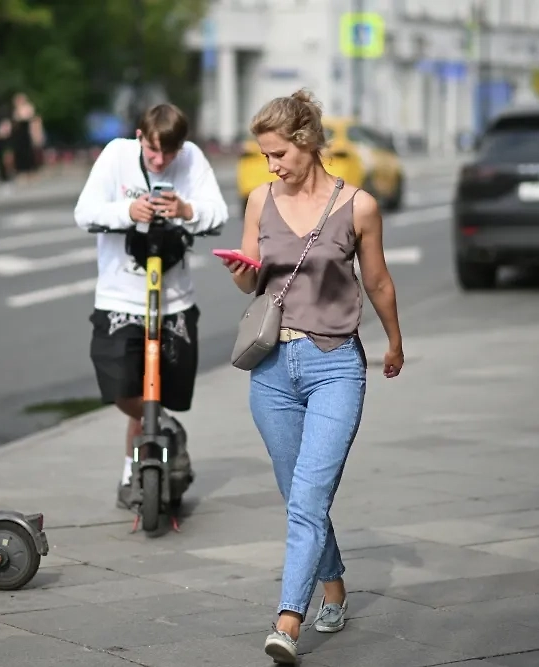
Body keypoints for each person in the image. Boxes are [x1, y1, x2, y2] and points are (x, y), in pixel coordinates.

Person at [219, 88, 403, 664]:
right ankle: (334, 587)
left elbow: (377, 282)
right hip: (272, 369)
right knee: (299, 496)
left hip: (334, 366)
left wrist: (395, 339)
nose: (270, 165)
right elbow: (250, 284)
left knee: (307, 498)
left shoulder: (359, 206)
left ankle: (287, 621)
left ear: (307, 143)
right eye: (265, 155)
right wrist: (241, 272)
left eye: (278, 154)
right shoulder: (258, 200)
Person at [74, 103, 229, 509]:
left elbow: (219, 213)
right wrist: (128, 210)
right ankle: (166, 430)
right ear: (140, 137)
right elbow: (84, 212)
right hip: (119, 297)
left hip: (174, 300)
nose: (161, 161)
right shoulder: (116, 155)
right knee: (124, 387)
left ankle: (133, 470)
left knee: (162, 390)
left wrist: (186, 209)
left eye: (170, 153)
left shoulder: (192, 158)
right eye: (153, 151)